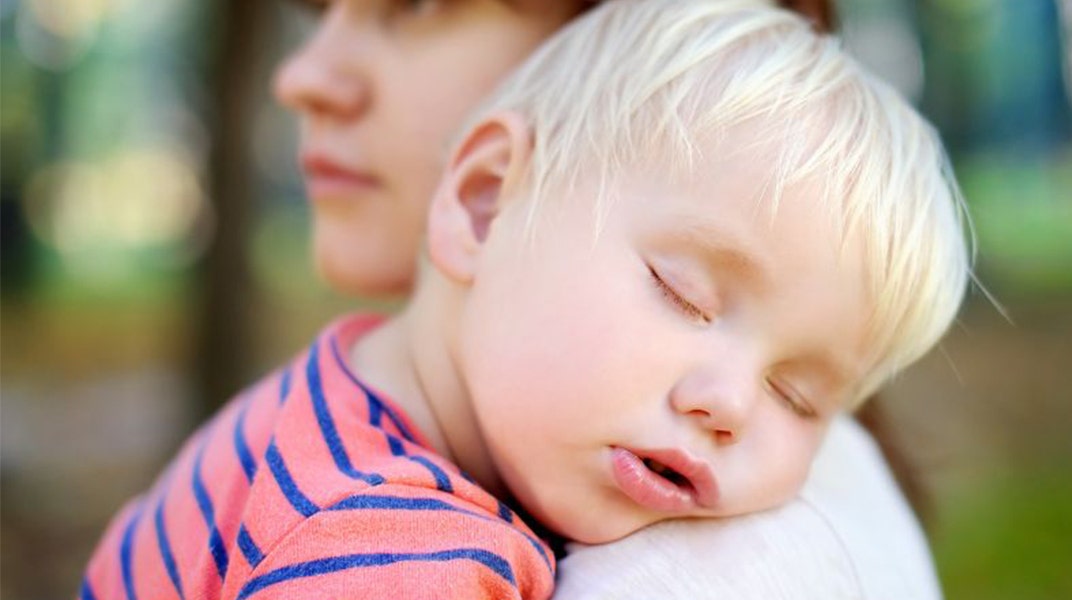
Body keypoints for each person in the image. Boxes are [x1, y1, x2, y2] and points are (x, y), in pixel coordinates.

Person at [80, 1, 968, 597]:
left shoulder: (325, 407)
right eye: (681, 295)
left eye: (799, 397)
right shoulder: (386, 542)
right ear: (485, 198)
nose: (731, 402)